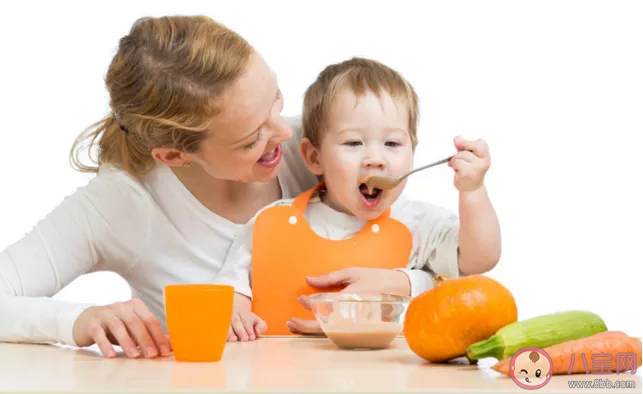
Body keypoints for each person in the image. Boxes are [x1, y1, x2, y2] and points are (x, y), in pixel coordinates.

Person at [0, 16, 424, 359]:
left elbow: (434, 251)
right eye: (250, 139)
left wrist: (403, 283)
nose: (283, 133)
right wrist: (78, 321)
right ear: (174, 156)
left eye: (275, 100)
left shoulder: (320, 152)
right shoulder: (121, 203)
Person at [215, 57, 502, 341]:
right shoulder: (270, 222)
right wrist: (236, 306)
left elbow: (479, 260)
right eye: (353, 143)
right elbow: (230, 288)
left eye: (392, 143)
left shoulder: (418, 222)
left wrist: (473, 191)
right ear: (314, 157)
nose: (375, 159)